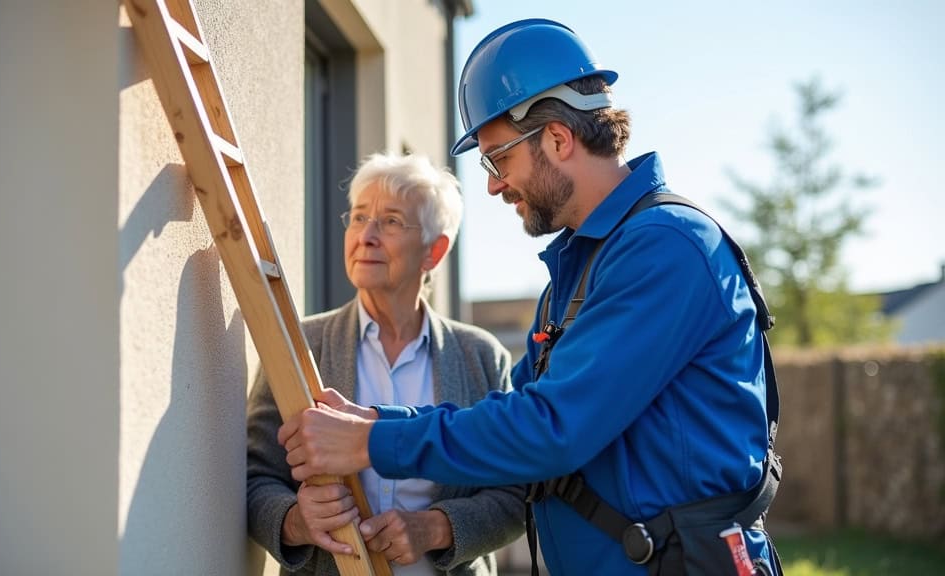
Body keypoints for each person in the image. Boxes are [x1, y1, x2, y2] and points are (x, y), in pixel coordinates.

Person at [277, 19, 784, 576]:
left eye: (497, 159)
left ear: (558, 139)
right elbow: (509, 419)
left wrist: (373, 441)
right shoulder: (578, 272)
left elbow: (553, 429)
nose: (493, 184)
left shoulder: (664, 250)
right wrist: (378, 417)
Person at [246, 152, 525, 575]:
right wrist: (295, 520)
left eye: (391, 221)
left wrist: (435, 529)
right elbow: (254, 477)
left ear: (434, 250)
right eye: (358, 218)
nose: (367, 236)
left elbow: (517, 493)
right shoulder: (299, 345)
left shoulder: (482, 356)